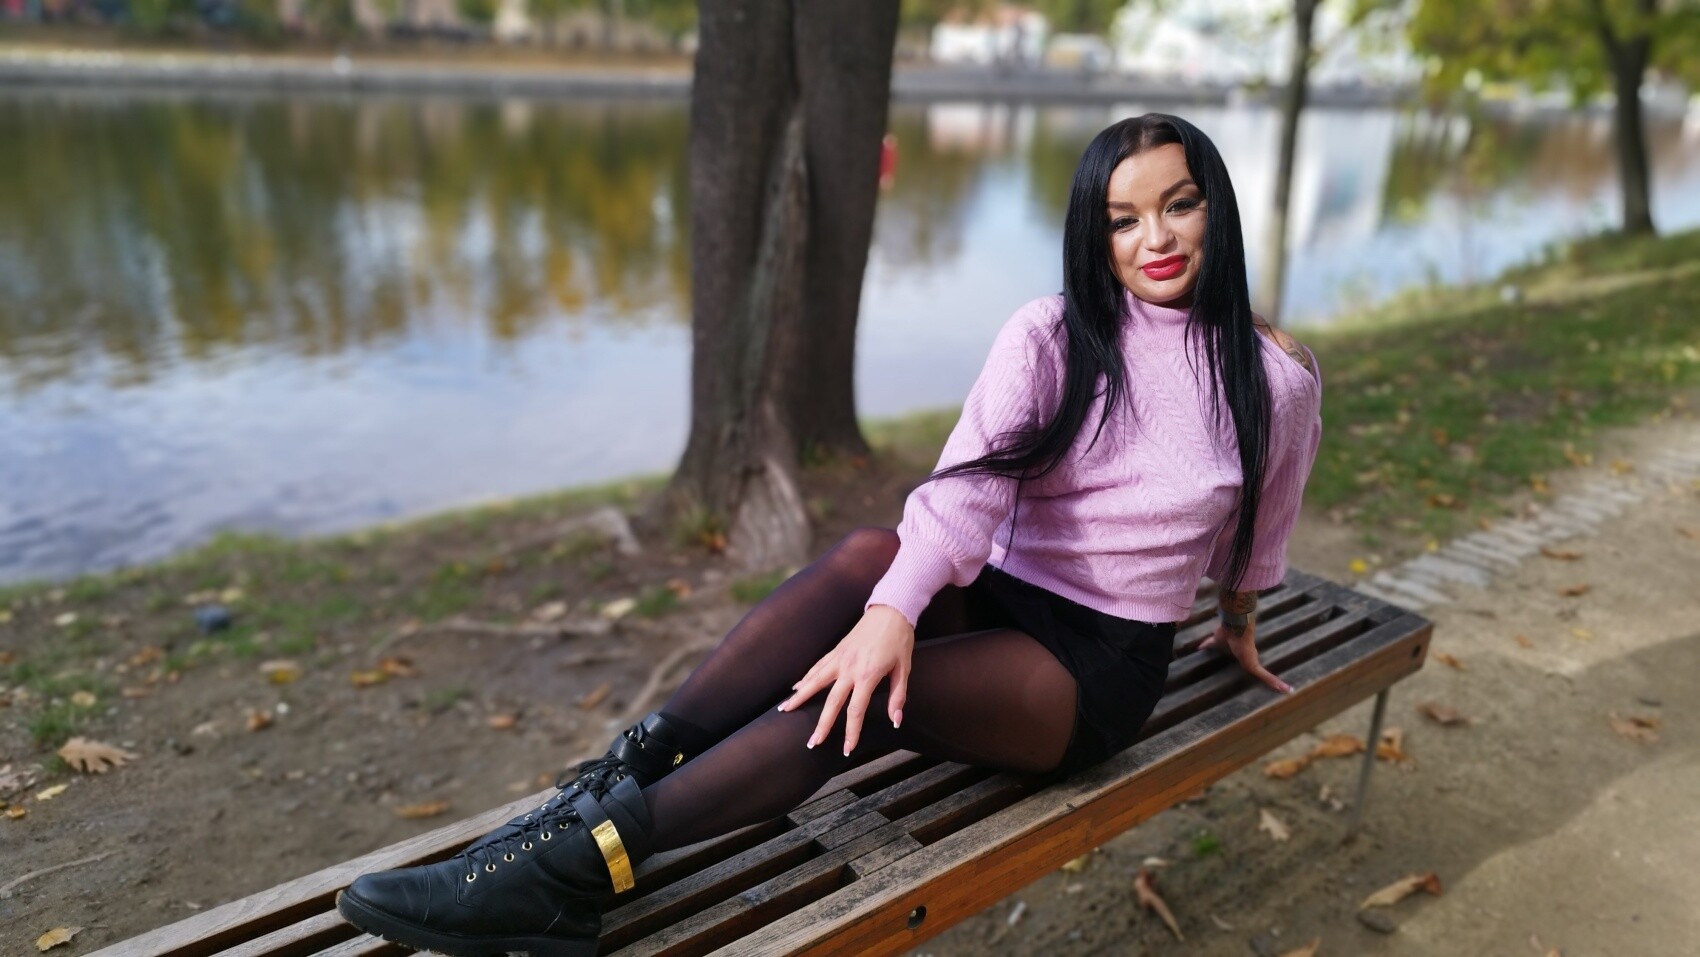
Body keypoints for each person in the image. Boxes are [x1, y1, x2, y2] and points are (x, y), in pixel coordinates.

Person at [334, 112, 1324, 957]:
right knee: (864, 557)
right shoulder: (1052, 333)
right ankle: (615, 779)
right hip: (1002, 597)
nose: (1155, 237)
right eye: (1122, 218)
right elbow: (964, 493)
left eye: (1178, 204)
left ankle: (573, 870)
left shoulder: (1272, 379)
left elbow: (1257, 529)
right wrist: (892, 607)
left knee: (872, 694)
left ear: (1215, 207)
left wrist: (1237, 622)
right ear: (1092, 233)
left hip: (1091, 670)